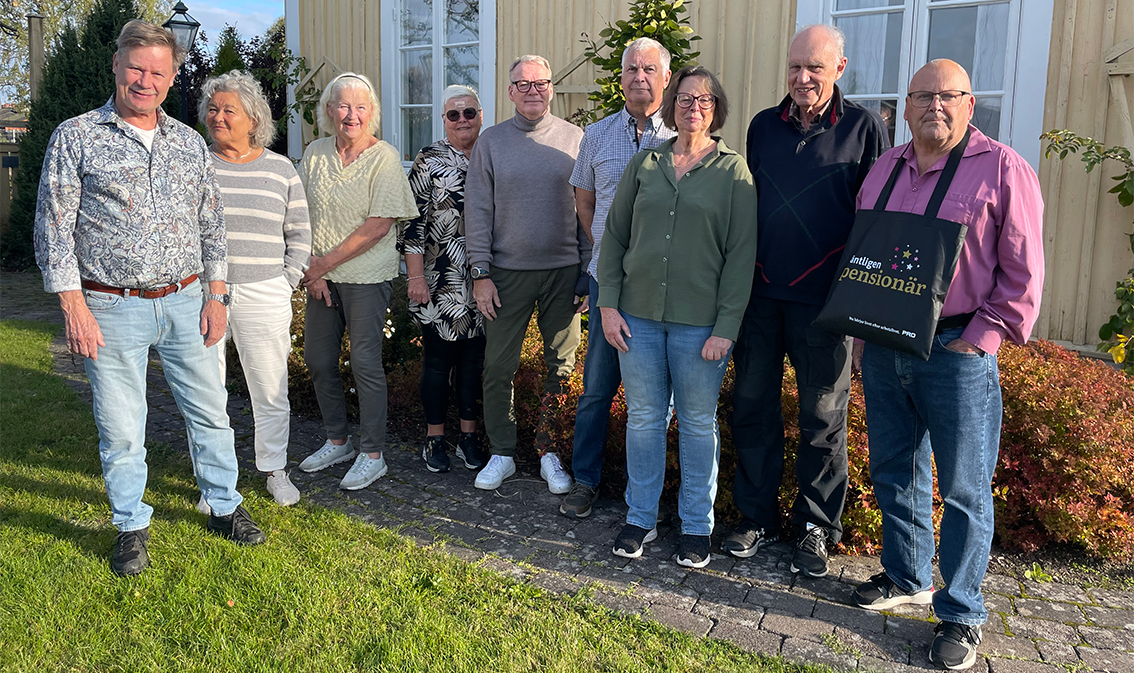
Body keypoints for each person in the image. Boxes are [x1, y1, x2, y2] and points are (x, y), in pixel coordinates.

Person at [33, 20, 265, 577]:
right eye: (136, 68)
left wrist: (217, 295)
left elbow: (211, 224)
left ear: (172, 76)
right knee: (121, 425)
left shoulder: (188, 142)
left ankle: (224, 506)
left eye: (158, 72)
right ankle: (131, 524)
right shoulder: (76, 136)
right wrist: (73, 307)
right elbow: (53, 230)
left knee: (210, 412)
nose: (145, 81)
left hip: (187, 300)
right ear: (116, 65)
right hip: (111, 306)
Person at [850, 59, 1044, 671]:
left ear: (970, 103)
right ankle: (906, 575)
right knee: (894, 468)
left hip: (957, 347)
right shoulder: (885, 167)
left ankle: (961, 610)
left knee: (963, 488)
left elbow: (1023, 271)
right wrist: (860, 334)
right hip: (885, 343)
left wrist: (981, 339)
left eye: (948, 95)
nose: (935, 105)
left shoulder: (1003, 168)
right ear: (905, 107)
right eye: (923, 96)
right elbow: (864, 253)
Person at [723, 24, 890, 577]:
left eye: (815, 67)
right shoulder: (762, 127)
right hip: (760, 297)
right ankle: (757, 516)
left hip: (827, 306)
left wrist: (862, 310)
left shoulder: (864, 129)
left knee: (823, 418)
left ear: (839, 68)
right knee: (753, 408)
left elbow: (874, 222)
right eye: (795, 66)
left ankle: (815, 525)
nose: (802, 77)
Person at [597, 66, 758, 569]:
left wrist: (726, 328)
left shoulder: (734, 172)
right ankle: (640, 517)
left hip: (700, 326)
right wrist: (607, 306)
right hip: (637, 318)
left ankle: (695, 526)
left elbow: (741, 257)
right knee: (644, 419)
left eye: (704, 100)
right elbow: (614, 236)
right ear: (672, 105)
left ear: (716, 109)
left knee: (696, 424)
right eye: (686, 98)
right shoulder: (645, 164)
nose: (694, 107)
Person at [559, 38, 676, 520]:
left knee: (656, 399)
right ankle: (585, 480)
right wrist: (608, 255)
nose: (639, 77)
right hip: (607, 281)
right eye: (631, 69)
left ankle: (647, 493)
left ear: (666, 78)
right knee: (596, 388)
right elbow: (584, 200)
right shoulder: (597, 134)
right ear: (621, 77)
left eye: (649, 69)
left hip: (661, 286)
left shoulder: (683, 137)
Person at [465, 55, 588, 493]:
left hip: (563, 272)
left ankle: (549, 451)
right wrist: (480, 272)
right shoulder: (491, 142)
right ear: (510, 91)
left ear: (551, 88)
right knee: (499, 366)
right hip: (505, 275)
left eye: (540, 83)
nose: (533, 90)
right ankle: (502, 452)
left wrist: (588, 268)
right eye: (523, 83)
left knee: (562, 366)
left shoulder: (575, 139)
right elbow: (477, 210)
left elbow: (587, 208)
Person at [295, 72, 419, 490]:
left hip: (366, 277)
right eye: (344, 106)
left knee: (365, 362)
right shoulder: (315, 153)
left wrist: (322, 265)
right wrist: (313, 270)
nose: (352, 115)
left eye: (360, 107)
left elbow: (379, 225)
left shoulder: (384, 157)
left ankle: (373, 454)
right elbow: (300, 214)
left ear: (372, 112)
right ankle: (338, 441)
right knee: (318, 360)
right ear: (329, 110)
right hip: (321, 278)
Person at [198, 70, 311, 509]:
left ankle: (274, 470)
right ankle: (214, 481)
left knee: (270, 388)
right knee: (206, 391)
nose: (218, 117)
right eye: (212, 109)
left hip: (265, 292)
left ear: (254, 119)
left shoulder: (280, 169)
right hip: (204, 294)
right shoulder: (196, 165)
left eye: (229, 110)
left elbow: (299, 231)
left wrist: (286, 281)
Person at [398, 84, 489, 474]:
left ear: (480, 115)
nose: (462, 120)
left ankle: (468, 437)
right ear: (444, 120)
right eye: (454, 114)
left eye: (469, 112)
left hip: (485, 279)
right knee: (437, 361)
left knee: (473, 362)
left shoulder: (492, 152)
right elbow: (412, 222)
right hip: (439, 278)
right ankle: (434, 438)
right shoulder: (429, 159)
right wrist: (415, 276)